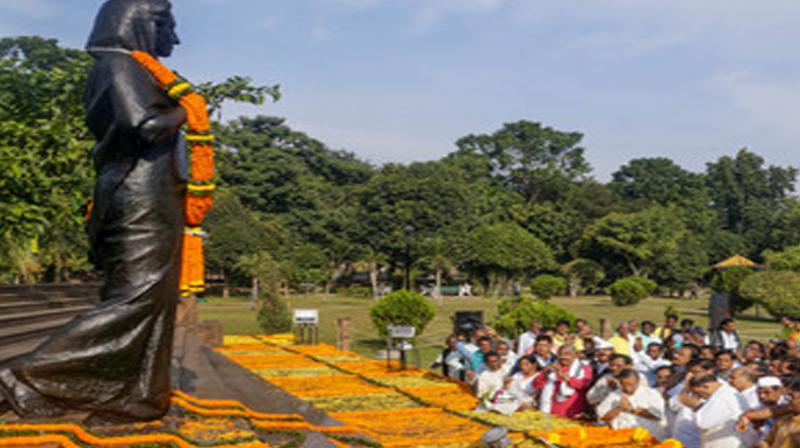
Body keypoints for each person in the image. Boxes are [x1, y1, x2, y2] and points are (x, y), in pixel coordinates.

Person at [0, 0, 186, 423]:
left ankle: (134, 396)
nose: (173, 38)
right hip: (139, 197)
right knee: (136, 299)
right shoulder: (119, 65)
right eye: (165, 26)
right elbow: (145, 127)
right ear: (138, 22)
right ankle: (17, 376)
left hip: (153, 196)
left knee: (151, 299)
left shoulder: (134, 68)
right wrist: (186, 110)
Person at [597, 369, 667, 440]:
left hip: (649, 437)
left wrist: (631, 410)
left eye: (631, 384)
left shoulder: (652, 394)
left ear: (638, 381)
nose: (627, 388)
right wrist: (619, 408)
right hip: (622, 438)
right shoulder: (614, 395)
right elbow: (602, 417)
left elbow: (658, 416)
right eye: (624, 384)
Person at [687, 374, 754, 447]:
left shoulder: (722, 398)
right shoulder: (725, 393)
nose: (699, 396)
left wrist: (695, 406)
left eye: (698, 393)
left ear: (705, 386)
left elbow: (703, 423)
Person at [534, 345, 593, 419]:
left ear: (575, 355)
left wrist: (563, 376)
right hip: (550, 411)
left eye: (567, 354)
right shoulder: (552, 367)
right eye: (560, 354)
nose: (563, 357)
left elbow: (584, 386)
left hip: (573, 412)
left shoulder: (584, 368)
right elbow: (537, 385)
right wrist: (544, 373)